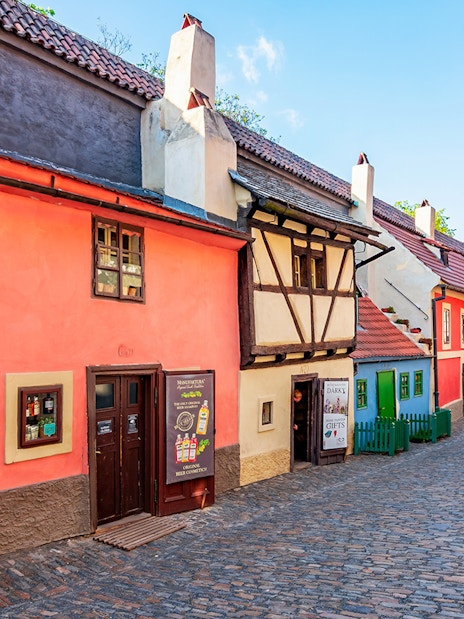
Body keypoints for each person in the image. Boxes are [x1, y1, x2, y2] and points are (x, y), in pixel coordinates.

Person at [293, 388, 306, 460]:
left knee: (301, 441)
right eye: (296, 398)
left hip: (300, 425)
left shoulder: (301, 405)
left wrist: (298, 427)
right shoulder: (293, 403)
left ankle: (301, 456)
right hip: (296, 425)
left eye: (299, 398)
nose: (298, 400)